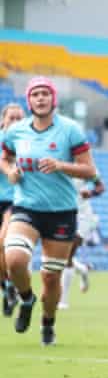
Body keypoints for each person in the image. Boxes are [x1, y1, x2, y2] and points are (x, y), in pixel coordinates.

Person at [0, 76, 98, 345]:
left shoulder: (70, 130)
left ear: (53, 99)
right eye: (35, 94)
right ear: (29, 100)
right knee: (15, 260)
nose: (40, 98)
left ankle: (48, 324)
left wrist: (60, 165)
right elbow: (5, 157)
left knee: (51, 279)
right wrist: (10, 172)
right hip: (26, 207)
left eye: (45, 93)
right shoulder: (16, 131)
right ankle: (26, 298)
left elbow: (90, 170)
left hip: (61, 213)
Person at [58, 170, 105, 309]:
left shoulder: (86, 167)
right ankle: (83, 270)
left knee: (68, 254)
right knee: (61, 256)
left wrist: (91, 193)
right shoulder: (57, 166)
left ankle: (63, 300)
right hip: (63, 213)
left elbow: (101, 187)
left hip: (83, 216)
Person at [0, 102, 25, 317]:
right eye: (12, 118)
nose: (16, 122)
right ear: (3, 122)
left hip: (15, 202)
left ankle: (13, 287)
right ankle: (7, 288)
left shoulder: (29, 143)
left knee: (4, 243)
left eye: (20, 118)